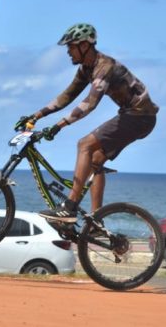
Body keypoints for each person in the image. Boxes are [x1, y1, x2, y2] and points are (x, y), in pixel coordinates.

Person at [18, 23, 158, 222]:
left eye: (71, 47)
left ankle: (70, 205)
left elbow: (90, 103)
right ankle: (96, 219)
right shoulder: (86, 69)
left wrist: (59, 125)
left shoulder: (104, 67)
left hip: (140, 116)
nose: (68, 52)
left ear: (84, 46)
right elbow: (67, 96)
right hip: (133, 115)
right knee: (96, 160)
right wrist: (36, 116)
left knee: (84, 144)